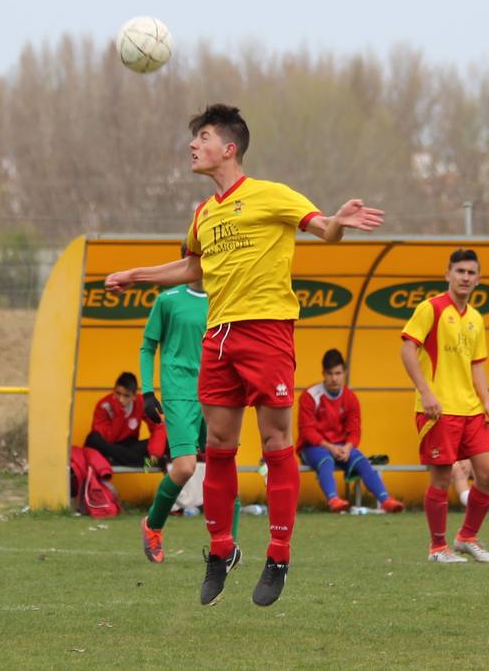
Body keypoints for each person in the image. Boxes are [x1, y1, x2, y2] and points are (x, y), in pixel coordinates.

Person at [105, 103, 384, 607]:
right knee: (218, 445)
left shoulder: (271, 195)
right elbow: (193, 270)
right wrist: (135, 275)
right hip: (219, 336)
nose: (193, 145)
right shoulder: (203, 213)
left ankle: (278, 553)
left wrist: (339, 221)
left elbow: (323, 229)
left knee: (277, 441)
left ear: (228, 148)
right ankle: (221, 550)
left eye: (203, 136)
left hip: (267, 332)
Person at [137, 247, 241, 564]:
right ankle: (153, 526)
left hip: (216, 390)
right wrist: (147, 391)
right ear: (186, 260)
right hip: (179, 390)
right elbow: (147, 346)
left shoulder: (225, 299)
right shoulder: (168, 301)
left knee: (225, 465)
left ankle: (227, 547)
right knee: (184, 466)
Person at [400, 248, 489, 565]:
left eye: (471, 273)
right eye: (460, 271)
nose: (465, 277)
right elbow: (407, 349)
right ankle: (437, 548)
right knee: (441, 479)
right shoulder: (430, 309)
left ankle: (467, 537)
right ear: (448, 274)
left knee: (488, 473)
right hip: (439, 409)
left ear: (478, 279)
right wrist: (426, 393)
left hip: (471, 411)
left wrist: (486, 401)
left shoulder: (476, 318)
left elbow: (477, 365)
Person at [296, 349, 404, 514]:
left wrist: (347, 448)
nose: (334, 378)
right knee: (326, 460)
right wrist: (331, 448)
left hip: (341, 447)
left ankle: (385, 500)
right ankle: (333, 500)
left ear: (344, 373)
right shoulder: (310, 396)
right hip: (313, 447)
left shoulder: (350, 398)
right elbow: (307, 431)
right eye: (330, 373)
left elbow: (355, 430)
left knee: (361, 460)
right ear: (323, 373)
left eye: (338, 373)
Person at [85, 372, 167, 467]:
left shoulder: (141, 402)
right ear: (114, 390)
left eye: (126, 396)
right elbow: (108, 438)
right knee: (92, 439)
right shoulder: (104, 405)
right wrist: (119, 413)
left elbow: (158, 425)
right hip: (108, 445)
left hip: (128, 446)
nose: (121, 399)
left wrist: (155, 451)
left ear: (134, 396)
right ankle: (145, 463)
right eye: (118, 393)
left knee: (166, 442)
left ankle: (117, 459)